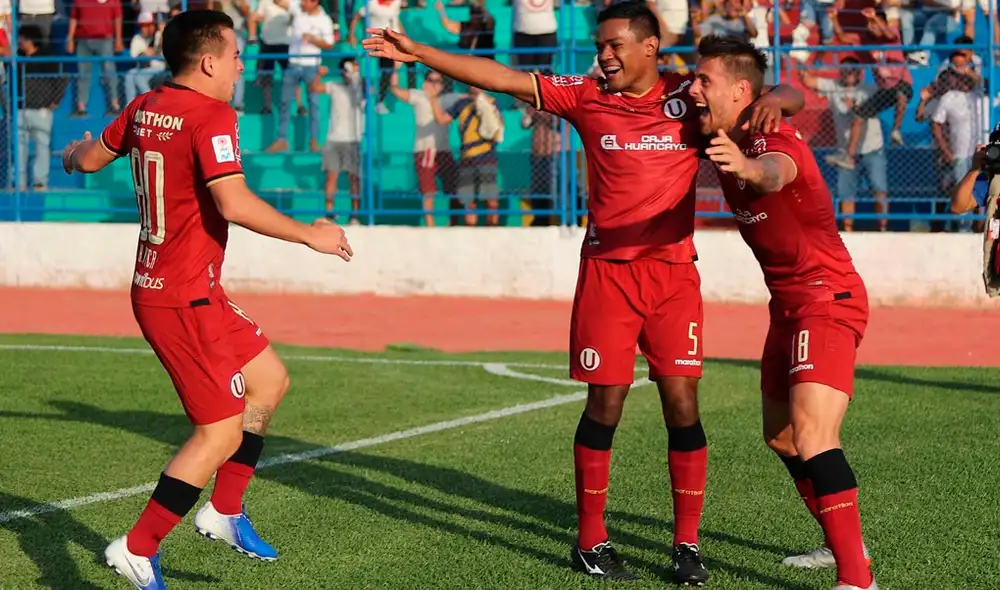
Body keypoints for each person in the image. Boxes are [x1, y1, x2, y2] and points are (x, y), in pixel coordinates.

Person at [363, 3, 804, 583]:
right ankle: (591, 541)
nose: (605, 54)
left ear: (650, 47)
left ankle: (687, 545)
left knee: (683, 405)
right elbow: (502, 77)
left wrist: (780, 97)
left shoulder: (689, 98)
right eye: (601, 45)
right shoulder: (585, 95)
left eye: (616, 44)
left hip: (673, 278)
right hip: (607, 277)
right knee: (606, 405)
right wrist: (420, 52)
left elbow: (779, 95)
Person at [60, 10, 353, 590]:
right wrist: (310, 236)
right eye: (237, 55)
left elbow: (91, 157)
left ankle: (224, 512)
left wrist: (71, 155)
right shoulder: (213, 113)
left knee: (268, 382)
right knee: (218, 432)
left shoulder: (147, 105)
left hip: (190, 288)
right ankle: (137, 548)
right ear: (210, 61)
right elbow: (234, 203)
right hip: (178, 297)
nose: (243, 65)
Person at [690, 34, 876, 590]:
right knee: (781, 436)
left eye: (705, 81)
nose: (694, 89)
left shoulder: (772, 143)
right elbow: (784, 92)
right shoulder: (724, 121)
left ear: (739, 90)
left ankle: (857, 580)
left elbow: (774, 171)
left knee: (816, 435)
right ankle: (843, 537)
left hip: (826, 297)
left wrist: (745, 166)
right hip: (787, 304)